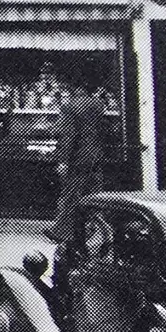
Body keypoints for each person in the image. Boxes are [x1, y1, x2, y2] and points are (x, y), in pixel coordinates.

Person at [50, 85, 106, 241]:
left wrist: (63, 161)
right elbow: (102, 130)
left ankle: (63, 233)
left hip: (78, 157)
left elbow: (68, 136)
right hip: (95, 155)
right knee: (94, 194)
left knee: (71, 194)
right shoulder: (98, 105)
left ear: (72, 90)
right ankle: (94, 229)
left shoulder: (69, 106)